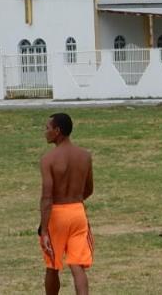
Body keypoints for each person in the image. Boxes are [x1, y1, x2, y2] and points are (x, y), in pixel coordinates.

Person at [38, 112, 94, 295]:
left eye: (47, 128)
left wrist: (44, 229)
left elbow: (47, 197)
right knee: (78, 266)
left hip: (57, 214)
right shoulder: (85, 156)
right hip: (78, 212)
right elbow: (89, 189)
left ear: (57, 131)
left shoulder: (48, 160)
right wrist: (75, 203)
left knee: (53, 265)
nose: (45, 132)